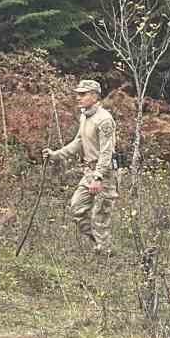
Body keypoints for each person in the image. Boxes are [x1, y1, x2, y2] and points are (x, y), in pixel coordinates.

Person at [42, 79, 118, 256]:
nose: (78, 97)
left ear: (94, 96)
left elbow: (107, 152)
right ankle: (99, 245)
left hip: (104, 174)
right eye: (78, 94)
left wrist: (98, 177)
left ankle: (105, 257)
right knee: (77, 209)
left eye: (83, 94)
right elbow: (78, 142)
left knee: (100, 217)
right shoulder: (85, 116)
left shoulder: (104, 119)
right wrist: (55, 155)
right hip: (89, 172)